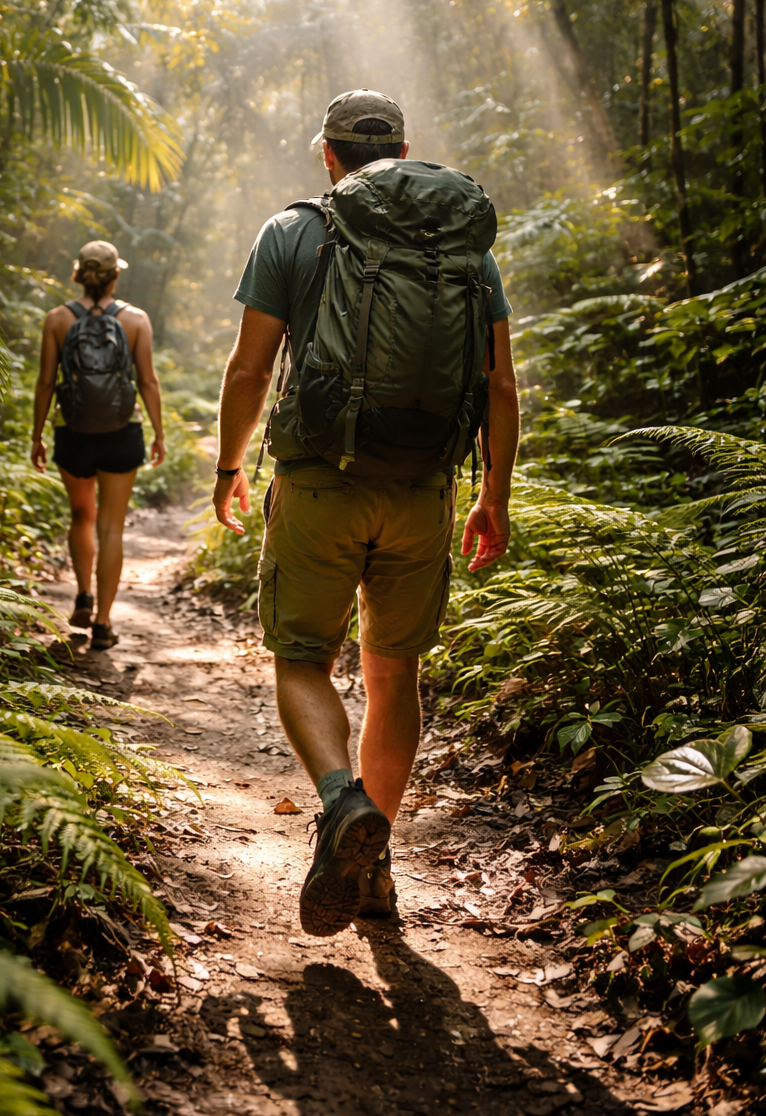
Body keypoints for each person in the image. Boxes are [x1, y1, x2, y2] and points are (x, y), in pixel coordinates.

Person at [213, 90, 520, 935]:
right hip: (424, 487)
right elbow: (498, 383)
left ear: (329, 154)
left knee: (302, 658)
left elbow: (250, 370)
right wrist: (493, 494)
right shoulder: (464, 248)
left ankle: (342, 802)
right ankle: (376, 869)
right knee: (394, 673)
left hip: (320, 481)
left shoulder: (293, 232)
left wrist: (230, 464)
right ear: (406, 153)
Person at [31, 239, 165, 649]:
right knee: (111, 528)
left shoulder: (57, 319)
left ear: (78, 273)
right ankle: (104, 624)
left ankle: (83, 596)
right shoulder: (136, 319)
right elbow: (147, 381)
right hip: (122, 431)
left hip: (72, 430)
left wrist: (36, 435)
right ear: (114, 276)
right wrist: (158, 432)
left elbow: (46, 382)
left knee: (80, 516)